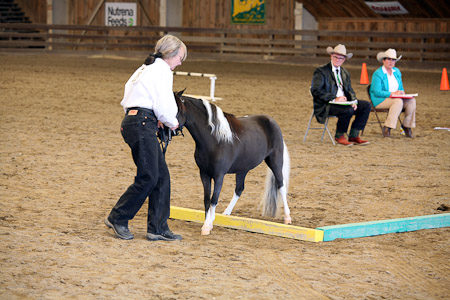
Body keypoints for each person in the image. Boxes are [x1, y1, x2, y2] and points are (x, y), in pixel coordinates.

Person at [104, 35, 187, 241]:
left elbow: (132, 97)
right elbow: (164, 103)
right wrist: (172, 122)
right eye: (181, 58)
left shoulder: (144, 68)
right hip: (142, 124)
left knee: (160, 176)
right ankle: (118, 217)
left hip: (134, 121)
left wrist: (152, 116)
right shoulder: (162, 71)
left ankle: (157, 227)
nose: (180, 63)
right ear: (172, 54)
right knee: (149, 176)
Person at [311, 44, 371, 146]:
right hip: (326, 104)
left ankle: (354, 135)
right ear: (331, 56)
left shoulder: (345, 73)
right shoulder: (321, 71)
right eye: (335, 57)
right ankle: (340, 135)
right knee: (348, 110)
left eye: (341, 58)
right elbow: (316, 90)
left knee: (366, 105)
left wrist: (353, 101)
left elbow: (350, 90)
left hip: (344, 102)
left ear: (344, 60)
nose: (337, 59)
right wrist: (334, 98)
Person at [369, 48, 416, 138]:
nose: (391, 62)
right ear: (384, 61)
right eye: (389, 59)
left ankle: (407, 126)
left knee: (411, 101)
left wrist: (402, 93)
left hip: (396, 98)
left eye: (393, 60)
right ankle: (388, 127)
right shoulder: (378, 74)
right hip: (380, 100)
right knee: (398, 101)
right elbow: (376, 91)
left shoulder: (397, 72)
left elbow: (400, 87)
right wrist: (392, 94)